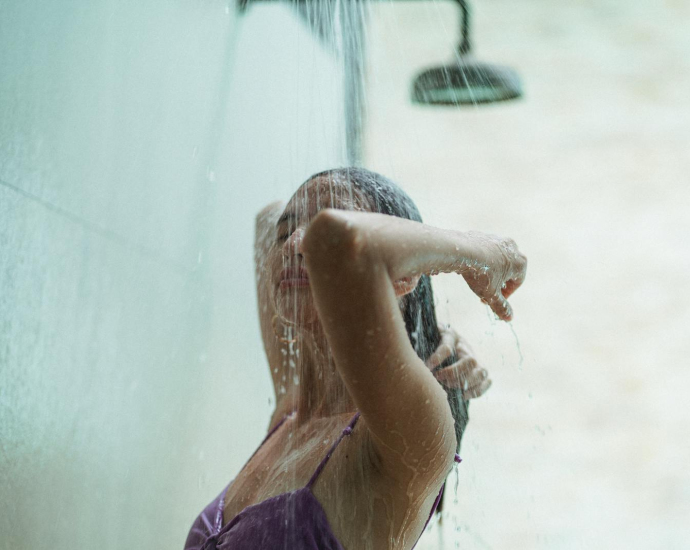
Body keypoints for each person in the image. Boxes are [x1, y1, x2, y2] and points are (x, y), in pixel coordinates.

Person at [184, 168, 527, 550]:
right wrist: (428, 325)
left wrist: (481, 252)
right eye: (290, 232)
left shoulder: (406, 433)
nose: (295, 244)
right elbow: (268, 220)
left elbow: (341, 242)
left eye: (316, 231)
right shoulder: (294, 410)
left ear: (405, 278)